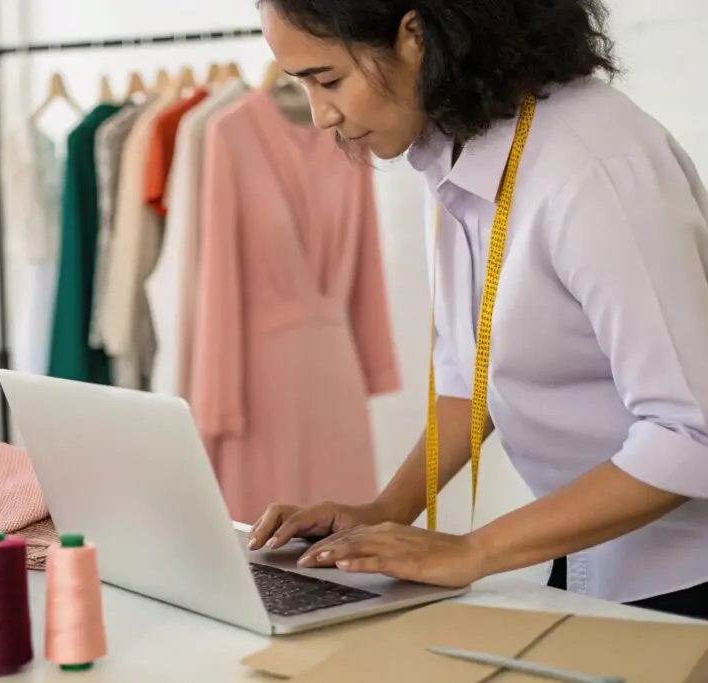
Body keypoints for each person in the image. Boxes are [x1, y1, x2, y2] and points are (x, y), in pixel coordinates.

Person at [247, 0, 708, 620]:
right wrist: (385, 511)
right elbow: (473, 378)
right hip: (588, 556)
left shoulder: (593, 169)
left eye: (328, 80)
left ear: (414, 35)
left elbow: (690, 433)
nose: (321, 115)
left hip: (685, 572)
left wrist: (473, 550)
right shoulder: (461, 146)